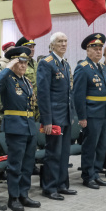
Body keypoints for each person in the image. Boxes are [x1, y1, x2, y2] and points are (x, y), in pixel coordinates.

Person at [0, 47, 40, 211]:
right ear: (13, 63)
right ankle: (13, 197)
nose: (23, 65)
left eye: (25, 62)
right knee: (15, 164)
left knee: (27, 163)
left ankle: (24, 194)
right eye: (20, 62)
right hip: (15, 126)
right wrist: (8, 67)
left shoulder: (26, 80)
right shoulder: (7, 79)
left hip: (29, 125)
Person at [36, 32, 75, 200]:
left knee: (64, 153)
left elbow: (69, 93)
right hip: (54, 117)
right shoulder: (46, 63)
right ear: (52, 45)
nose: (63, 44)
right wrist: (47, 120)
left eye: (65, 41)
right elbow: (43, 94)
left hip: (65, 116)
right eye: (60, 41)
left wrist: (71, 114)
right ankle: (50, 187)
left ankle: (62, 184)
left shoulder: (65, 64)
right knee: (53, 153)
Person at [73, 33, 106, 189]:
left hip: (103, 113)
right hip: (91, 114)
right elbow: (78, 95)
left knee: (101, 146)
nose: (98, 51)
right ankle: (88, 176)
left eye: (100, 48)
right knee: (90, 146)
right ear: (87, 50)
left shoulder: (102, 67)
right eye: (95, 48)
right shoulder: (83, 68)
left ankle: (96, 172)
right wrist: (82, 116)